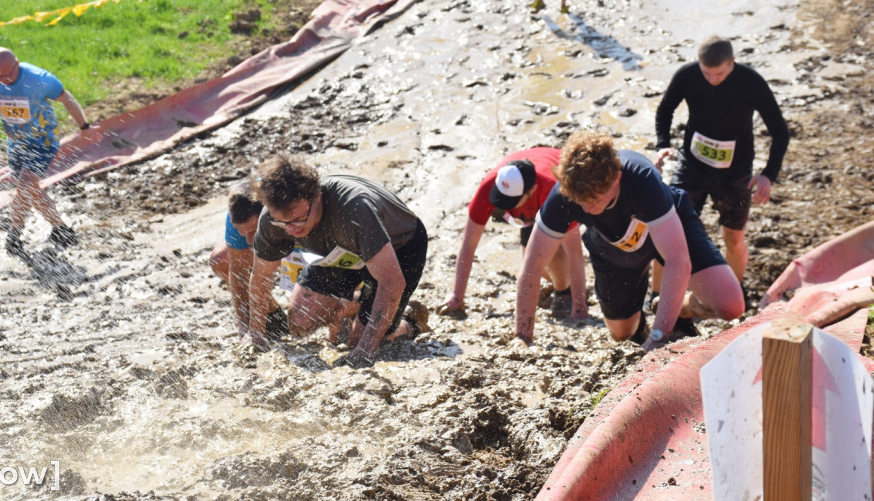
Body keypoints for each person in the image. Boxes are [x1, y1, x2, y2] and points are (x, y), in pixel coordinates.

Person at [514, 131, 744, 351]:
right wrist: (522, 336)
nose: (586, 209)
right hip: (614, 244)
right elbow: (532, 265)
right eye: (580, 201)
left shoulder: (641, 179)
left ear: (617, 178)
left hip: (668, 228)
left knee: (730, 306)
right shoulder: (564, 194)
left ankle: (678, 310)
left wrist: (659, 335)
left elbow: (677, 259)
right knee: (621, 333)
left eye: (594, 200)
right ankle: (648, 318)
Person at [246, 154, 429, 367]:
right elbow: (261, 276)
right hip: (340, 252)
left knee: (360, 344)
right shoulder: (272, 219)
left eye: (299, 220)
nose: (293, 230)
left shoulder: (355, 208)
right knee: (299, 321)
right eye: (283, 223)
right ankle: (354, 304)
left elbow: (392, 282)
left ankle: (410, 322)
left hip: (398, 248)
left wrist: (364, 350)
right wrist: (255, 334)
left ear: (317, 196)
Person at [654, 36, 790, 291]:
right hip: (691, 165)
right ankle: (657, 295)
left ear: (732, 63)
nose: (712, 80)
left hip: (735, 173)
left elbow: (780, 132)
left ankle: (734, 292)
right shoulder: (687, 75)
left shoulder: (750, 82)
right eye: (707, 73)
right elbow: (664, 110)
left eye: (719, 74)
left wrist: (768, 175)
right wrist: (663, 144)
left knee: (733, 237)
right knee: (669, 230)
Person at [0, 47, 98, 258]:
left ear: (18, 64)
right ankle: (61, 230)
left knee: (24, 185)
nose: (3, 80)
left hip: (43, 141)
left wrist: (85, 128)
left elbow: (67, 99)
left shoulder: (39, 79)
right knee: (31, 190)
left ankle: (13, 236)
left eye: (8, 75)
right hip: (16, 144)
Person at [437, 148, 586, 320]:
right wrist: (457, 296)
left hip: (568, 184)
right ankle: (559, 283)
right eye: (502, 201)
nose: (506, 207)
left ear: (532, 190)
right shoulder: (489, 186)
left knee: (549, 252)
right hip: (529, 201)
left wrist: (579, 306)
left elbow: (574, 250)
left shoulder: (553, 192)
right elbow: (469, 243)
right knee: (531, 262)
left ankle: (563, 293)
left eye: (511, 202)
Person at [208, 182, 289, 340]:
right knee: (221, 261)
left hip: (297, 236)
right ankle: (273, 315)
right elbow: (238, 271)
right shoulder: (238, 217)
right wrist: (245, 328)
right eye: (241, 231)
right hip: (272, 233)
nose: (248, 240)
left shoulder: (287, 208)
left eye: (252, 231)